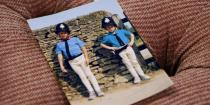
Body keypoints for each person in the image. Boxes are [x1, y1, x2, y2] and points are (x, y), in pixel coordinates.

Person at [55, 23, 104, 100]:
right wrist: (61, 66)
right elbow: (60, 55)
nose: (63, 34)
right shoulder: (59, 45)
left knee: (89, 74)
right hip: (72, 62)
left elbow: (83, 48)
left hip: (81, 58)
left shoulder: (75, 39)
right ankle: (91, 92)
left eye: (64, 32)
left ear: (67, 32)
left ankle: (98, 90)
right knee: (82, 77)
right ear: (58, 34)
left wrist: (87, 58)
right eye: (61, 33)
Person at [100, 17, 151, 84]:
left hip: (128, 48)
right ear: (105, 28)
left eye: (111, 26)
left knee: (134, 62)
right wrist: (111, 48)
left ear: (114, 25)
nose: (110, 28)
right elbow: (101, 44)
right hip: (120, 51)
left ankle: (142, 75)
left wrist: (131, 42)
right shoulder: (106, 37)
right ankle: (136, 77)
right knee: (128, 64)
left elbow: (131, 35)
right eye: (107, 27)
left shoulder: (121, 31)